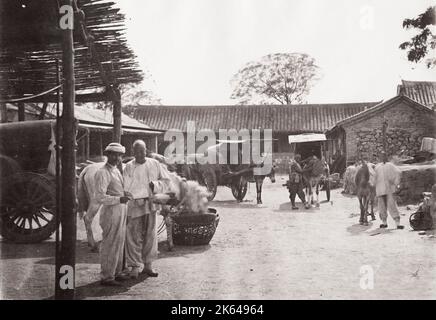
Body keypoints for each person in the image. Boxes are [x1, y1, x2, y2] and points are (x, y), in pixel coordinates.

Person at [124, 140, 171, 279]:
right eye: (136, 152)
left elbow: (166, 181)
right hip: (134, 205)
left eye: (142, 151)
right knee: (133, 235)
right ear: (133, 152)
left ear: (146, 150)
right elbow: (125, 186)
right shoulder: (128, 166)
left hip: (150, 204)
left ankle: (148, 265)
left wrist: (155, 185)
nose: (139, 154)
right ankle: (134, 266)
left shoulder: (155, 164)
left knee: (150, 234)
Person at [94, 142, 132, 286]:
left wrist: (124, 194)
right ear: (107, 155)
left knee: (119, 242)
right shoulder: (102, 172)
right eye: (114, 154)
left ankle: (116, 272)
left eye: (119, 155)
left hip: (121, 208)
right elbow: (99, 197)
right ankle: (107, 276)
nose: (117, 158)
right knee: (110, 243)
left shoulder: (115, 170)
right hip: (111, 211)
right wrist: (118, 198)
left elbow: (117, 189)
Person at [374, 152, 403, 229]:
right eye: (381, 156)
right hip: (380, 189)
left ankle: (397, 223)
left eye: (384, 156)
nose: (382, 157)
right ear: (380, 157)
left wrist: (395, 182)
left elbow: (398, 173)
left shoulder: (391, 166)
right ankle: (384, 223)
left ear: (386, 157)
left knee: (392, 205)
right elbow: (373, 178)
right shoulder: (377, 167)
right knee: (381, 207)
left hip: (389, 189)